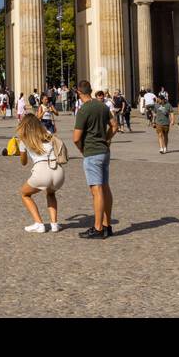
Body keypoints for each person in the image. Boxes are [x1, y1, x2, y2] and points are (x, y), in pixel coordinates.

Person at [73, 80, 116, 239]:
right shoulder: (102, 106)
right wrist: (106, 138)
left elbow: (76, 138)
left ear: (78, 92)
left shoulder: (83, 110)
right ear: (90, 91)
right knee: (105, 188)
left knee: (96, 191)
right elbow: (115, 126)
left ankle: (97, 228)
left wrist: (82, 149)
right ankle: (107, 225)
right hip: (105, 151)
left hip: (92, 152)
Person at [16, 113, 65, 233]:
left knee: (24, 194)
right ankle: (54, 224)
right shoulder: (48, 134)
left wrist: (21, 150)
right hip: (58, 171)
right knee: (51, 193)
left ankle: (39, 223)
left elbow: (23, 162)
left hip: (42, 171)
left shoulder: (24, 139)